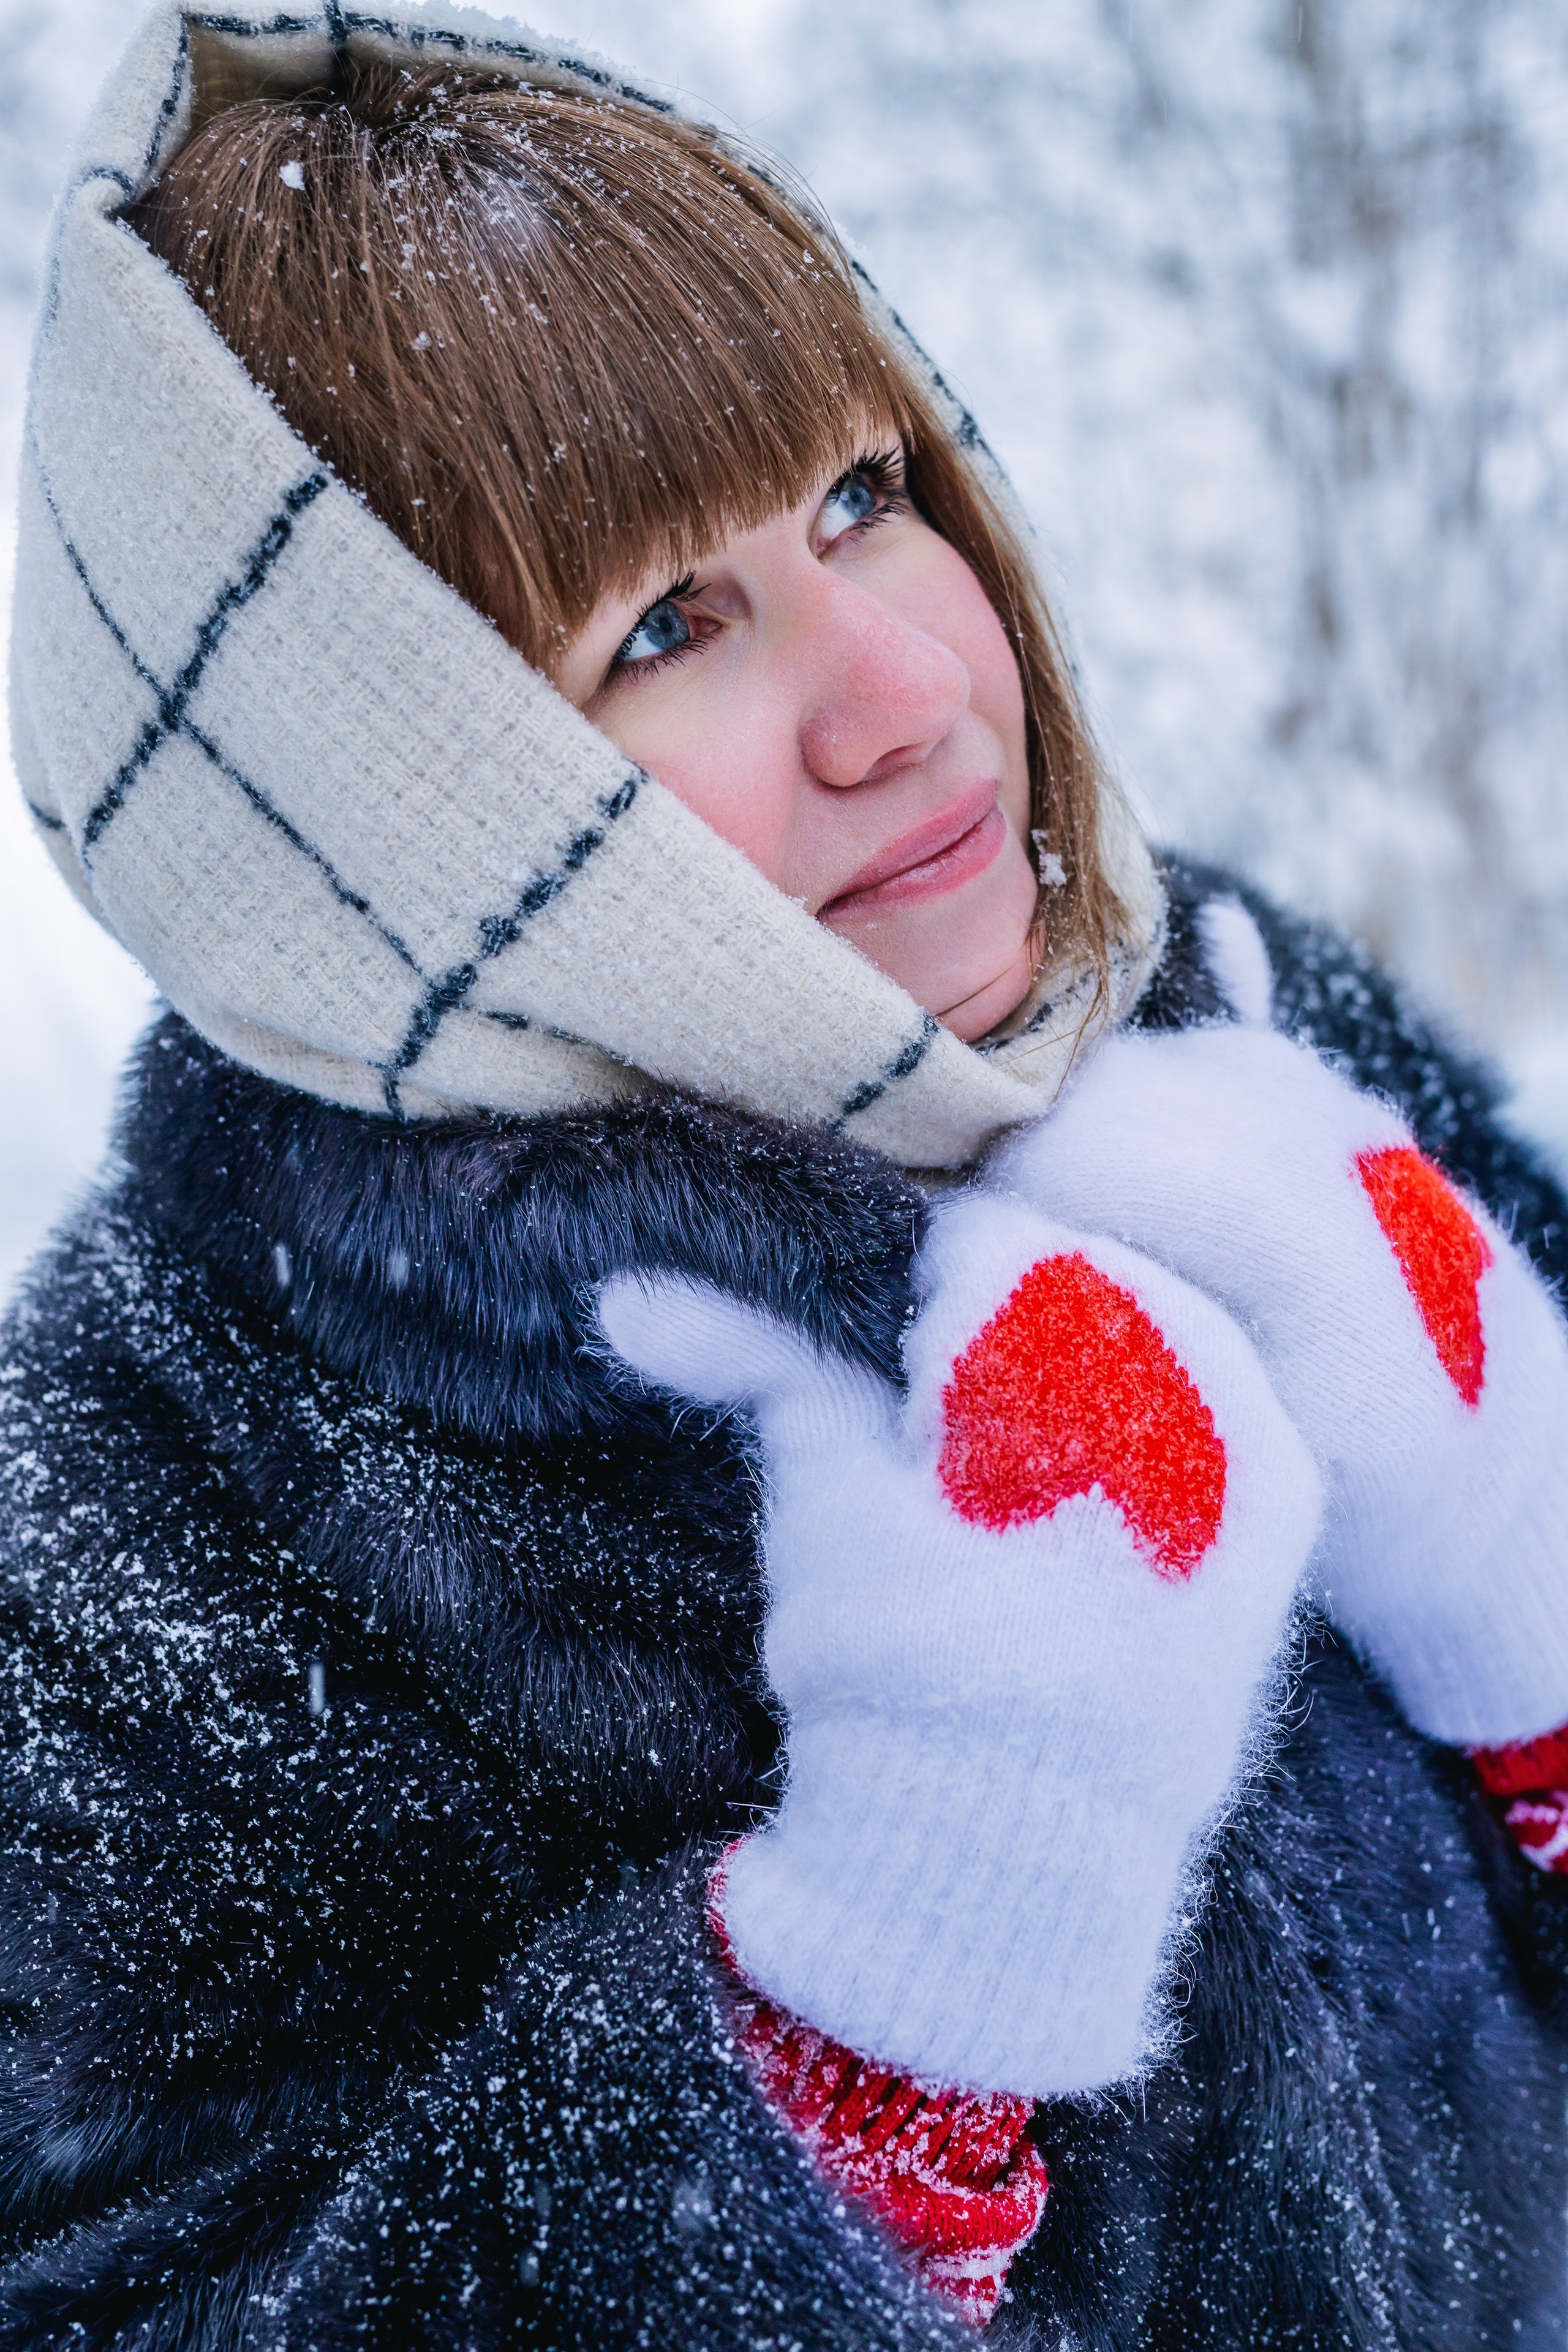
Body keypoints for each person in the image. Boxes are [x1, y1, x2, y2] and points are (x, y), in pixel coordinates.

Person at [6, 6, 1568, 2344]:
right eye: (662, 628)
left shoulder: (1249, 1018)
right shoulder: (161, 1515)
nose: (906, 699)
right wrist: (845, 2047)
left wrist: (1530, 1630)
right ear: (375, 835)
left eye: (864, 494)